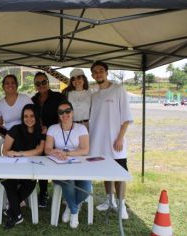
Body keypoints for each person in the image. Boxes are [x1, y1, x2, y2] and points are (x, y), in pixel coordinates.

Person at [89, 61, 133, 219]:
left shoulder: (118, 89)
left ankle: (122, 205)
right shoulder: (93, 95)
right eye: (95, 71)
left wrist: (120, 138)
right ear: (92, 75)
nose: (98, 73)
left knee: (120, 175)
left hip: (116, 142)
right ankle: (110, 200)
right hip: (98, 142)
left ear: (107, 72)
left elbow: (127, 118)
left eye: (101, 70)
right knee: (106, 173)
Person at [44, 100, 91, 229]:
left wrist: (68, 154)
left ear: (72, 113)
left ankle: (70, 207)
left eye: (67, 111)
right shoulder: (53, 128)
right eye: (61, 112)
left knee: (86, 189)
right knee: (68, 181)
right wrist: (56, 152)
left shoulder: (81, 128)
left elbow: (85, 149)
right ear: (58, 115)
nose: (64, 114)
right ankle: (74, 211)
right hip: (60, 167)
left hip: (79, 166)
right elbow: (47, 149)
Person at [1, 104, 46, 229]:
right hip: (12, 167)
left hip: (29, 169)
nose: (29, 119)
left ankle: (12, 211)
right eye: (25, 116)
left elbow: (39, 150)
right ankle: (17, 215)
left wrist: (19, 153)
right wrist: (10, 153)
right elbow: (5, 151)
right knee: (7, 180)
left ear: (36, 116)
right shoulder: (15, 129)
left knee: (30, 183)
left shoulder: (41, 131)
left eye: (32, 116)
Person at [32, 71, 64, 208]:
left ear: (48, 82)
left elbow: (64, 116)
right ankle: (43, 192)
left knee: (58, 164)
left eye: (44, 82)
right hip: (39, 138)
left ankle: (63, 192)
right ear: (35, 85)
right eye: (38, 83)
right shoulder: (33, 100)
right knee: (42, 164)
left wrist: (50, 128)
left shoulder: (58, 97)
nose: (41, 85)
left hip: (56, 137)